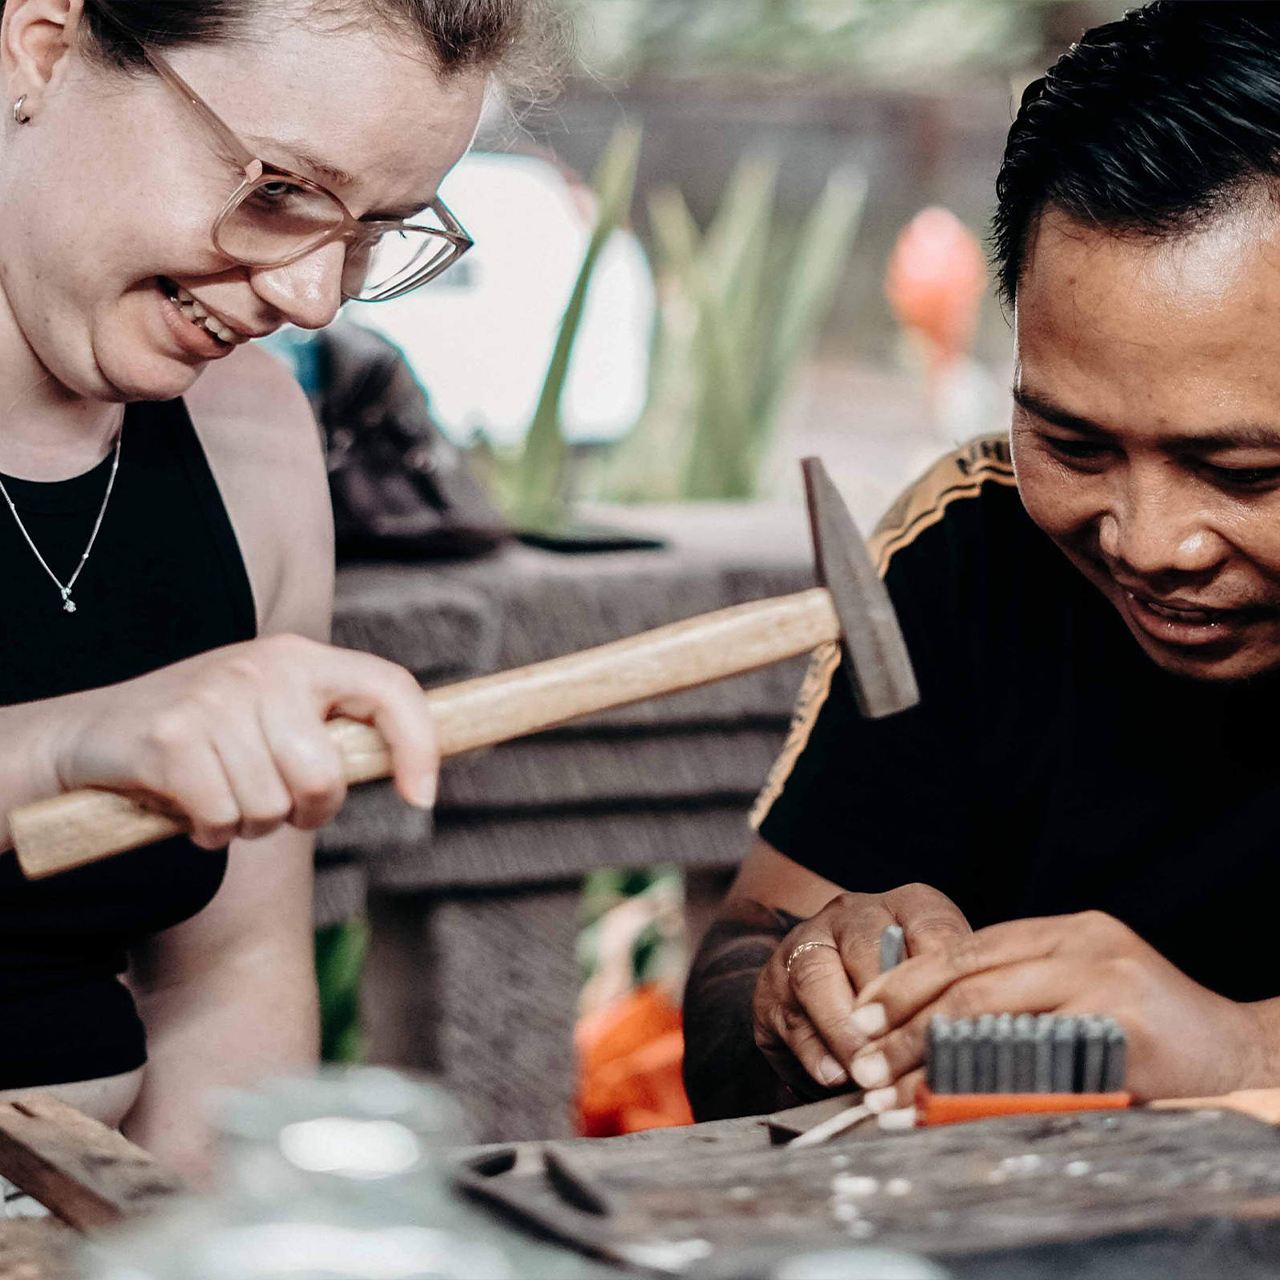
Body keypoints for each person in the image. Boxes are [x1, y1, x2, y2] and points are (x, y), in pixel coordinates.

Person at [684, 0, 1280, 1122]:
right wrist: (791, 989)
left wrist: (1238, 1045)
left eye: (1243, 470)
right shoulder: (973, 544)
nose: (1148, 544)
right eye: (1070, 443)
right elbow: (729, 990)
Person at [0, 0, 564, 1178]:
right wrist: (65, 748)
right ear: (44, 50)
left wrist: (188, 1249)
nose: (313, 300)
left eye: (373, 233)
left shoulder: (254, 436)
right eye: (277, 193)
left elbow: (229, 979)